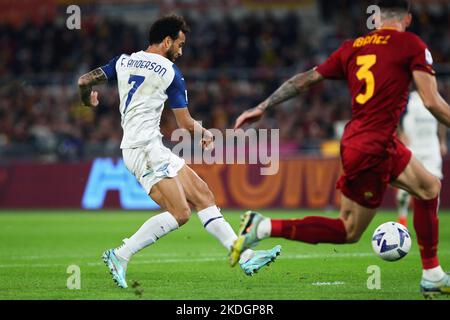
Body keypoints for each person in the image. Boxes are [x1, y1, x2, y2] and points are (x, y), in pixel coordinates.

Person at [229, 0, 450, 297]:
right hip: (374, 147)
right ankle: (264, 227)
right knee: (348, 231)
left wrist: (263, 105)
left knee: (429, 187)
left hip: (364, 139)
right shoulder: (411, 45)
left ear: (378, 17)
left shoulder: (353, 46)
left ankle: (432, 274)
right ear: (407, 19)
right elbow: (432, 100)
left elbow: (305, 79)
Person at [78, 15, 280, 289]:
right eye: (180, 45)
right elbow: (184, 123)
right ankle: (120, 255)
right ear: (167, 41)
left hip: (147, 146)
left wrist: (87, 100)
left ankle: (244, 255)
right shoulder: (170, 72)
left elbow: (84, 80)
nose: (181, 52)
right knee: (181, 213)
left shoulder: (123, 61)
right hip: (145, 149)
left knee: (203, 195)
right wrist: (206, 134)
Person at [397, 91, 448, 227]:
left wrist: (442, 141)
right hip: (413, 147)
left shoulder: (436, 97)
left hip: (431, 147)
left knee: (435, 185)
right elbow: (395, 116)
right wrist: (401, 134)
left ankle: (431, 222)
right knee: (405, 192)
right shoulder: (408, 99)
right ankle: (402, 218)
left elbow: (442, 119)